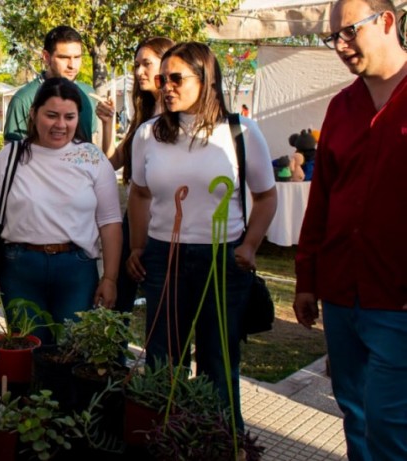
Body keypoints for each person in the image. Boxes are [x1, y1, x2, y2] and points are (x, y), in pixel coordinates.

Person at [125, 42, 276, 433]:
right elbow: (139, 193)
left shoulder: (241, 132)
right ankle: (162, 440)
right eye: (162, 79)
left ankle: (222, 441)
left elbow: (266, 196)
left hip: (223, 260)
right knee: (162, 356)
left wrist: (250, 245)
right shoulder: (148, 134)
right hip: (163, 257)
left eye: (176, 78)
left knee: (218, 359)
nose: (166, 87)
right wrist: (138, 247)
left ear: (206, 79)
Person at [293, 0, 407, 458]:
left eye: (348, 32)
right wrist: (306, 280)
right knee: (354, 413)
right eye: (331, 37)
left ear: (386, 21)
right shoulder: (341, 107)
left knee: (389, 423)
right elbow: (321, 201)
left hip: (396, 299)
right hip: (341, 293)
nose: (340, 46)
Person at [0, 77, 122, 344]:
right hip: (20, 270)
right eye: (51, 115)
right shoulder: (10, 156)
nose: (60, 125)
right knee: (28, 350)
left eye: (69, 117)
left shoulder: (93, 159)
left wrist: (110, 278)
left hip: (77, 271)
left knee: (71, 349)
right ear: (34, 114)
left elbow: (110, 221)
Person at [97, 36, 174, 326]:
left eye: (147, 64)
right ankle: (114, 352)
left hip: (166, 220)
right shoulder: (143, 114)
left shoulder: (179, 116)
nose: (139, 72)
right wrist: (107, 125)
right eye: (136, 65)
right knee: (120, 298)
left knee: (163, 305)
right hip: (135, 218)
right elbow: (112, 161)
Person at [3, 26, 106, 152]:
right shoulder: (23, 99)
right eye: (64, 57)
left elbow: (90, 147)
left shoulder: (88, 95)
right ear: (46, 57)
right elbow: (12, 154)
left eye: (77, 57)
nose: (72, 65)